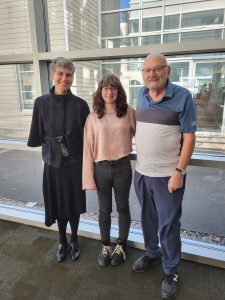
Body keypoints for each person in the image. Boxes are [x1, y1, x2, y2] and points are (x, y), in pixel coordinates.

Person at [132, 53, 196, 299]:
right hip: (142, 173)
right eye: (147, 70)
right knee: (148, 219)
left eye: (157, 69)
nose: (152, 74)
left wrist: (179, 172)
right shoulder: (141, 94)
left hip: (168, 176)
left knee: (169, 225)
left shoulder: (182, 96)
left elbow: (189, 137)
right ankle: (152, 252)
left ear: (167, 70)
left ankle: (171, 271)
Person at [27, 57, 90, 263]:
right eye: (60, 74)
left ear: (73, 77)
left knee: (73, 204)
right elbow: (38, 134)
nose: (65, 78)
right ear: (52, 75)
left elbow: (88, 138)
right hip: (53, 165)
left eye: (69, 74)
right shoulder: (41, 103)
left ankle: (75, 240)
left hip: (75, 164)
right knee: (58, 205)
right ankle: (62, 241)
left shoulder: (81, 105)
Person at [82, 74, 135, 267]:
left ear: (119, 91)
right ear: (100, 92)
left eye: (113, 88)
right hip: (101, 169)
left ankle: (121, 245)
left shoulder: (129, 113)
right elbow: (87, 149)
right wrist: (88, 177)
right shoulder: (93, 117)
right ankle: (105, 245)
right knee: (104, 209)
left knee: (123, 207)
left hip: (122, 167)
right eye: (105, 88)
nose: (109, 92)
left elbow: (145, 137)